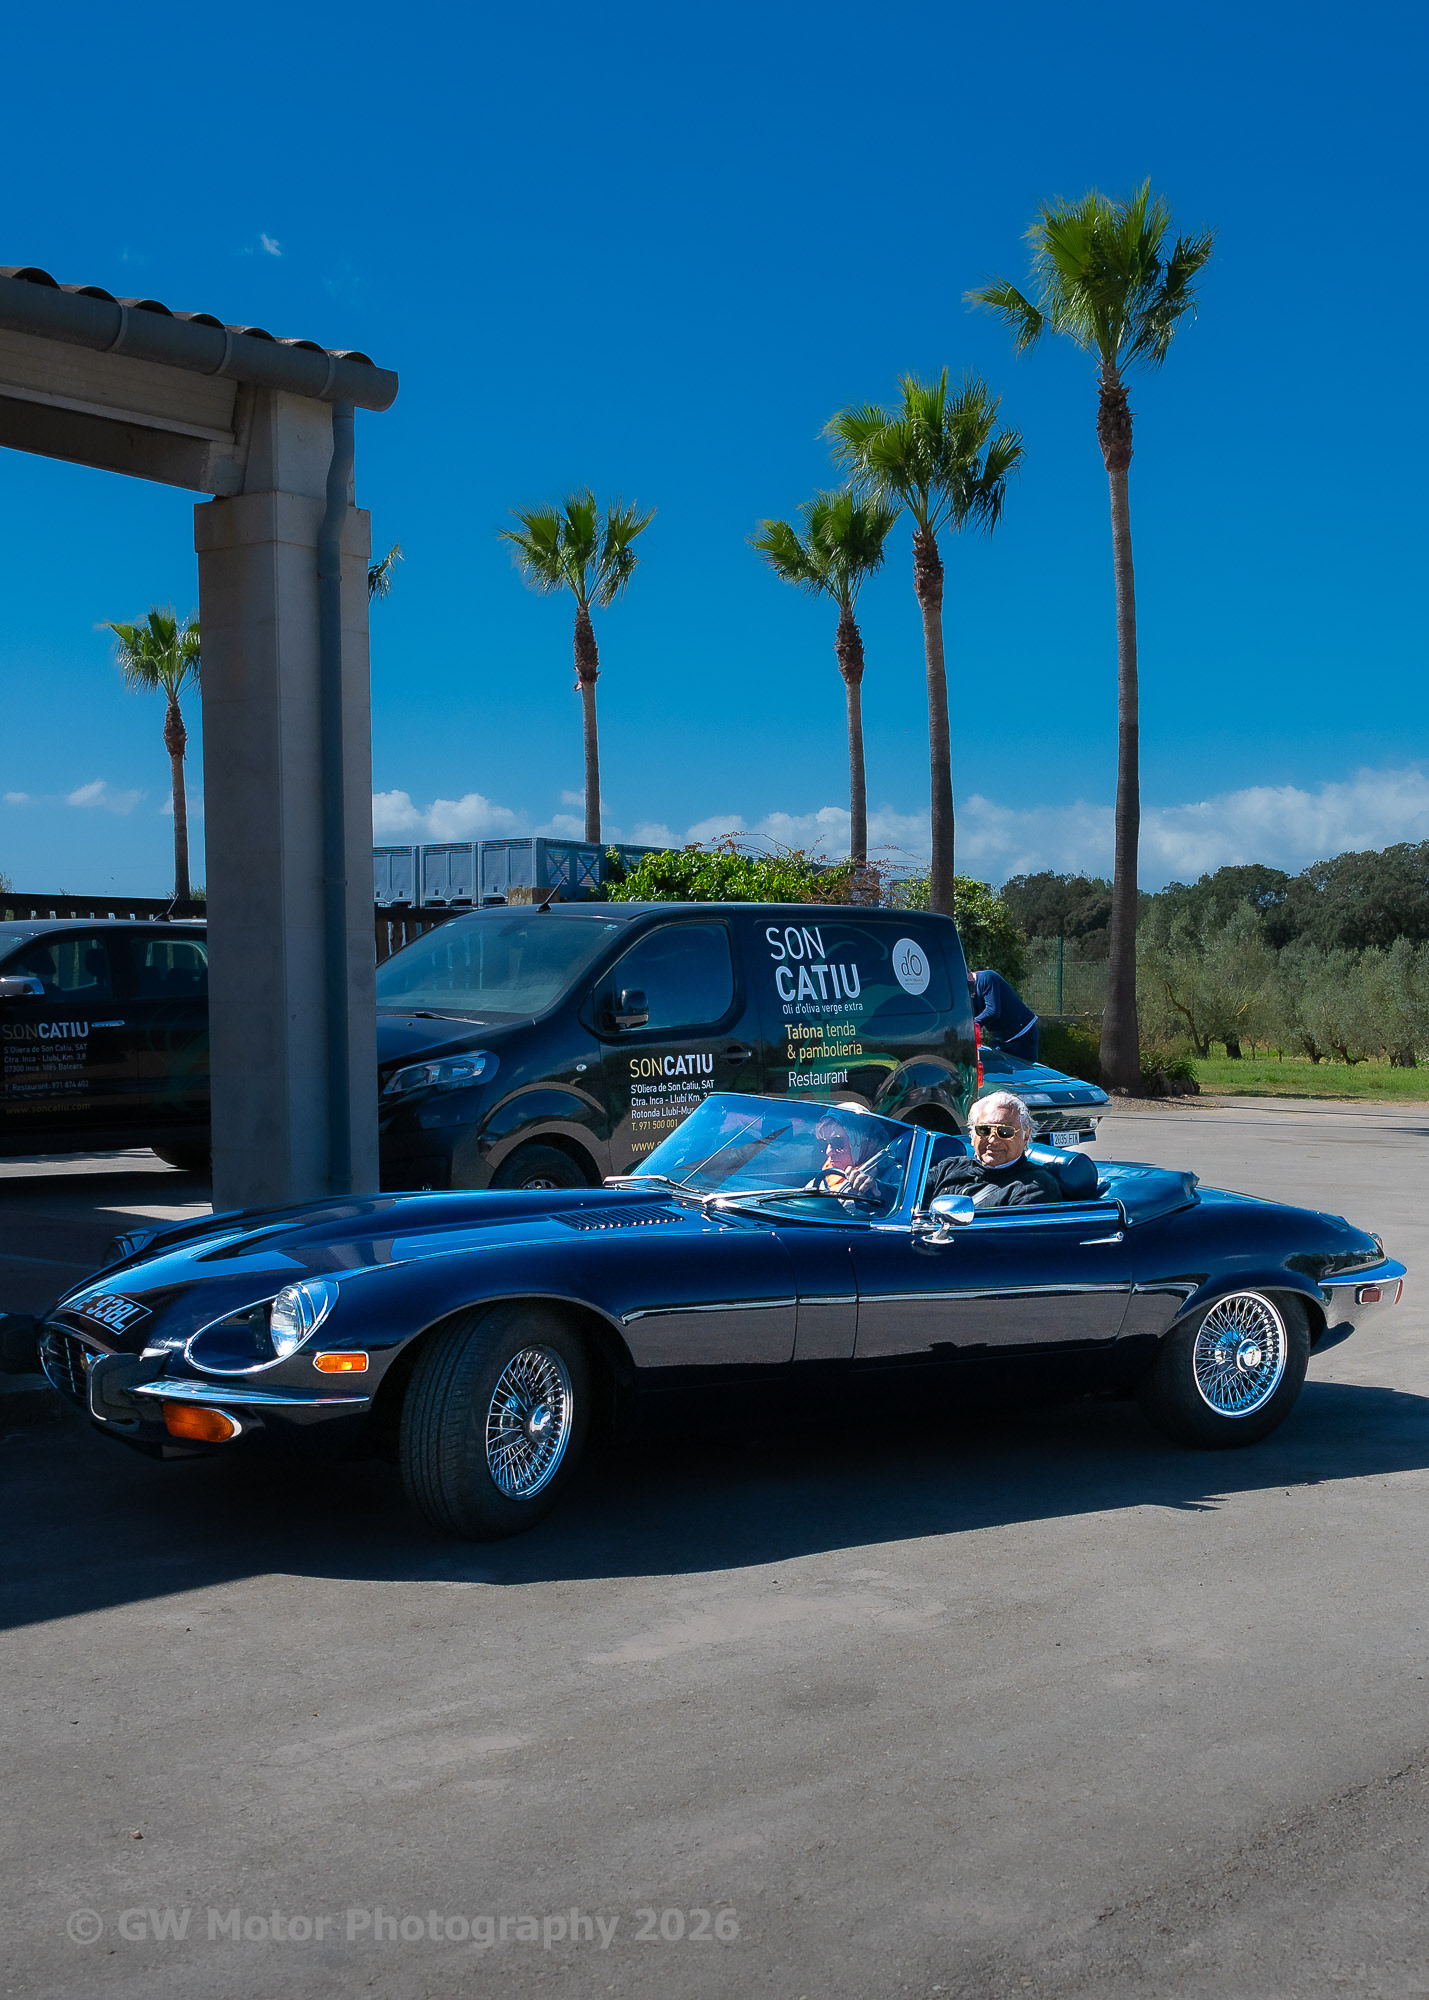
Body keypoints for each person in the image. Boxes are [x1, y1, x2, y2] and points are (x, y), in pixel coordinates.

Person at [922, 1091, 1062, 1208]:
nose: (992, 1140)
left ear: (1025, 1135)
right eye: (984, 1130)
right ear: (972, 1133)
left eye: (1005, 1132)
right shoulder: (948, 1167)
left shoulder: (1034, 1188)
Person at [969, 967, 1039, 1061]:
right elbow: (974, 1015)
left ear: (969, 973)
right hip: (1002, 1039)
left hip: (1022, 1034)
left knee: (1023, 1069)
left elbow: (993, 1011)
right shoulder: (970, 992)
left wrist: (972, 1024)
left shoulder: (987, 978)